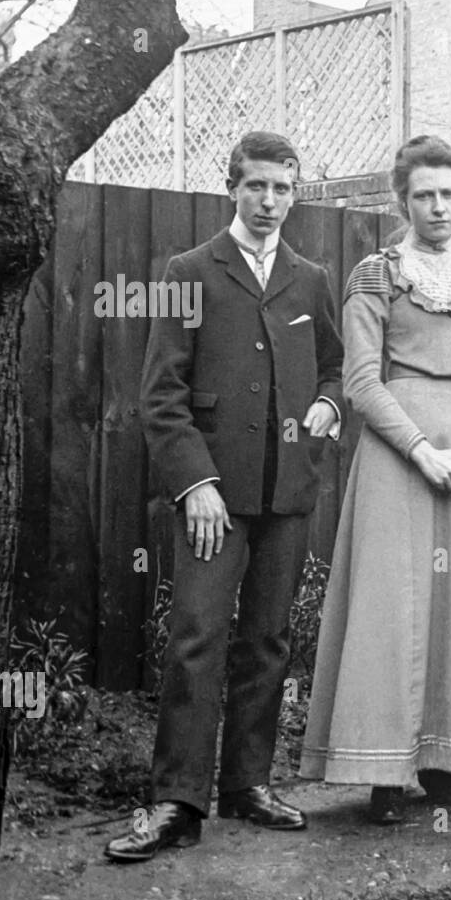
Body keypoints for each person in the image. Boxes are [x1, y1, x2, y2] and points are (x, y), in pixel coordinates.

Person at [107, 131, 343, 862]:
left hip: (287, 491)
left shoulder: (310, 278)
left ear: (295, 192)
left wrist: (330, 407)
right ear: (232, 188)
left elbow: (334, 368)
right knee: (197, 638)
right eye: (257, 187)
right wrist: (197, 484)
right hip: (214, 495)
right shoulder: (190, 270)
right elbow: (162, 397)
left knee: (269, 640)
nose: (270, 201)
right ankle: (178, 799)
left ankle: (247, 783)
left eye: (283, 188)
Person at [300, 135, 451, 825]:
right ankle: (382, 770)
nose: (437, 207)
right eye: (423, 194)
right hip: (401, 460)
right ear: (402, 200)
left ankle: (446, 761)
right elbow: (362, 380)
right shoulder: (375, 274)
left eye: (449, 193)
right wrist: (421, 449)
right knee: (391, 608)